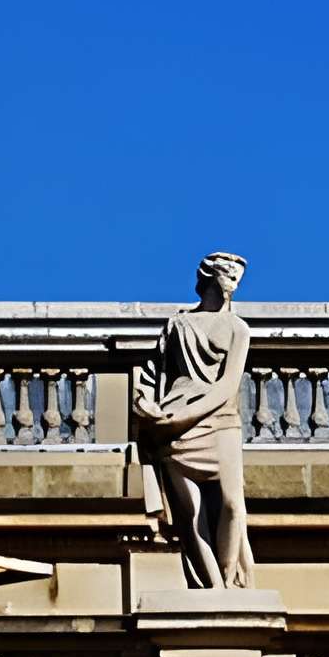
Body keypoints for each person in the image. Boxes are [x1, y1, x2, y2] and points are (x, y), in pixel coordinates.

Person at [133, 251, 255, 589]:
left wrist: (180, 417)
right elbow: (154, 373)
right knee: (190, 516)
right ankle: (213, 587)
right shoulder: (177, 325)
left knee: (233, 506)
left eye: (237, 277)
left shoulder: (238, 329)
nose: (233, 283)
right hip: (174, 428)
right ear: (210, 277)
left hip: (217, 421)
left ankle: (229, 582)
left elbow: (227, 386)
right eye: (228, 275)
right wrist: (148, 406)